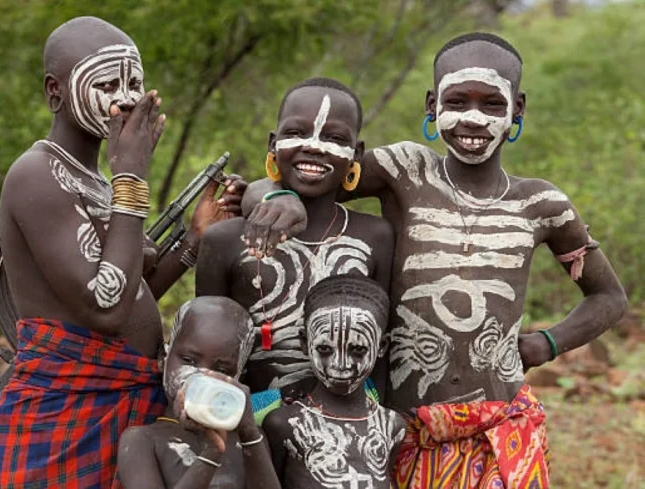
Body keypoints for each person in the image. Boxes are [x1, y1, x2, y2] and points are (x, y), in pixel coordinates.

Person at [241, 32, 628, 488]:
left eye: (492, 104)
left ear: (517, 110)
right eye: (457, 101)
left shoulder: (541, 204)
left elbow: (608, 297)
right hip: (403, 431)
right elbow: (307, 171)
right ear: (431, 104)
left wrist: (547, 342)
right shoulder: (404, 170)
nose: (473, 118)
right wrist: (278, 194)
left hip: (500, 431)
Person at [0, 16, 245, 488]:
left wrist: (193, 240)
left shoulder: (97, 182)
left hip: (118, 405)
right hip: (64, 417)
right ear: (55, 92)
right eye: (106, 83)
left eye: (135, 84)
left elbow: (127, 295)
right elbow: (103, 308)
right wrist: (132, 176)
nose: (125, 99)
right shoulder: (36, 175)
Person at [195, 78, 395, 415]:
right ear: (272, 144)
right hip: (246, 424)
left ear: (356, 154)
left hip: (347, 427)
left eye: (334, 138)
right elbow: (206, 355)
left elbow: (383, 355)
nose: (314, 147)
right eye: (297, 133)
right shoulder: (226, 241)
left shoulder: (374, 236)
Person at [116, 296, 281, 489]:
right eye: (189, 360)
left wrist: (250, 432)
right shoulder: (142, 441)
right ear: (163, 358)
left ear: (238, 378)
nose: (203, 375)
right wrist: (211, 453)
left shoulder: (247, 440)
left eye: (222, 370)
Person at [263, 275, 406, 489]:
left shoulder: (391, 425)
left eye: (358, 350)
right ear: (305, 343)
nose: (340, 365)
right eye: (325, 349)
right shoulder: (284, 424)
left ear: (382, 346)